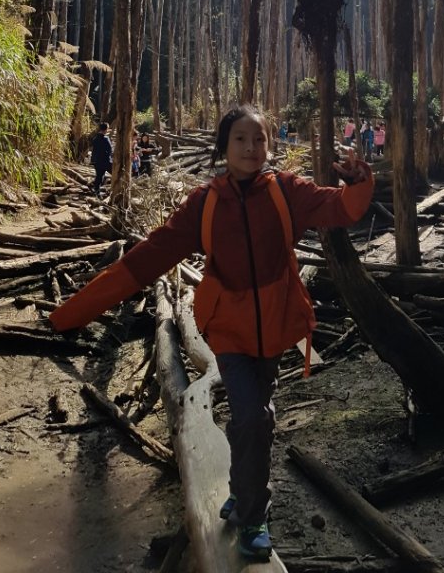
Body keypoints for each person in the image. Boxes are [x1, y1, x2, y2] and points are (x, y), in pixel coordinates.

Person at [49, 104, 373, 561]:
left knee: (258, 416)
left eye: (258, 139)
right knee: (255, 418)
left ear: (270, 145)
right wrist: (72, 313)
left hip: (276, 326)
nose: (250, 148)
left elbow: (340, 208)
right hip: (229, 330)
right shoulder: (204, 204)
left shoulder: (286, 192)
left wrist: (358, 182)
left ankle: (241, 492)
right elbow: (150, 255)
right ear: (224, 147)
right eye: (240, 139)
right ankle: (254, 517)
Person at [90, 122, 112, 194]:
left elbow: (93, 149)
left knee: (99, 176)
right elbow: (109, 149)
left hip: (96, 160)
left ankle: (96, 190)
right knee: (115, 172)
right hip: (105, 160)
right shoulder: (106, 138)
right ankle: (96, 189)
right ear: (106, 129)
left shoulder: (95, 138)